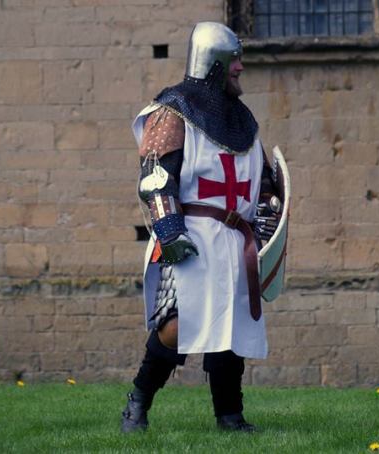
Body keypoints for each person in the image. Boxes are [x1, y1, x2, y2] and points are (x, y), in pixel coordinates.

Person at [121, 22, 280, 433]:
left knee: (232, 325)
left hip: (235, 239)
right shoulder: (172, 111)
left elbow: (262, 183)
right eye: (234, 61)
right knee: (177, 323)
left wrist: (266, 223)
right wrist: (170, 230)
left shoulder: (243, 121)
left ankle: (230, 415)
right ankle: (137, 402)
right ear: (213, 63)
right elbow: (155, 178)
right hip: (190, 233)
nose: (241, 68)